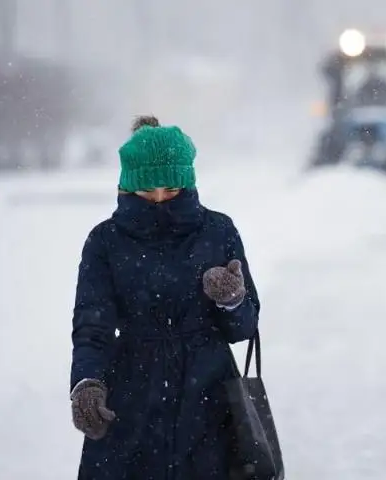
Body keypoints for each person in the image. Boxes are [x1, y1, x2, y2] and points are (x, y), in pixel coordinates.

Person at [69, 115, 261, 479]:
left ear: (187, 182)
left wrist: (232, 299)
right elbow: (92, 326)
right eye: (147, 191)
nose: (159, 200)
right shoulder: (105, 242)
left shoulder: (218, 230)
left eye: (171, 190)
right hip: (132, 395)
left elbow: (244, 328)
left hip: (209, 397)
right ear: (128, 187)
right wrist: (86, 382)